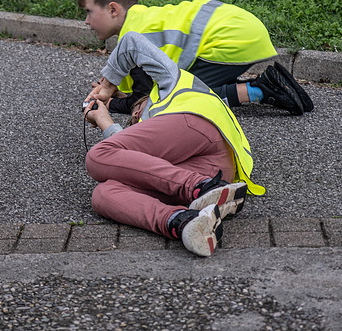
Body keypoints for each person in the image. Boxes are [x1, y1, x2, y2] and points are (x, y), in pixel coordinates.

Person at [83, 31, 264, 257]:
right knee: (104, 193)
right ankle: (184, 222)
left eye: (135, 114)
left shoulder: (169, 83)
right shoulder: (158, 140)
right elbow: (126, 164)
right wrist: (106, 122)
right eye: (132, 123)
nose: (136, 118)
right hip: (215, 171)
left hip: (199, 124)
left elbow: (130, 41)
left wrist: (108, 86)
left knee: (97, 156)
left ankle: (206, 188)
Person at [78, 0, 313, 116]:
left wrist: (109, 103)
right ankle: (276, 81)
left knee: (176, 100)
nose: (86, 21)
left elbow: (143, 100)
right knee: (183, 83)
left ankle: (260, 89)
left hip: (231, 40)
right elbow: (141, 85)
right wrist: (119, 91)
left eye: (88, 12)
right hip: (241, 30)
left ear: (112, 9)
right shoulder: (143, 19)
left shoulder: (136, 37)